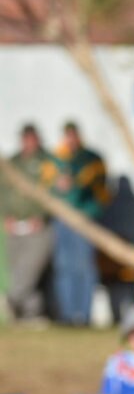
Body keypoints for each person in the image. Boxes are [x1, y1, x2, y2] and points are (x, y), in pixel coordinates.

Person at [46, 121, 110, 325]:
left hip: (84, 219)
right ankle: (67, 314)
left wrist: (76, 191)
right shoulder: (55, 160)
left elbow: (99, 191)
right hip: (62, 220)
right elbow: (45, 188)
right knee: (64, 267)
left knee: (84, 267)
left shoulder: (91, 159)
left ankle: (83, 315)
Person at [2, 124, 56, 322]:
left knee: (30, 271)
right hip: (14, 226)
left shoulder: (47, 163)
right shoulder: (12, 163)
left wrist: (41, 215)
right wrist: (5, 215)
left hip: (37, 227)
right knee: (18, 270)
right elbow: (3, 191)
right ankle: (29, 314)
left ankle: (11, 300)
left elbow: (52, 193)